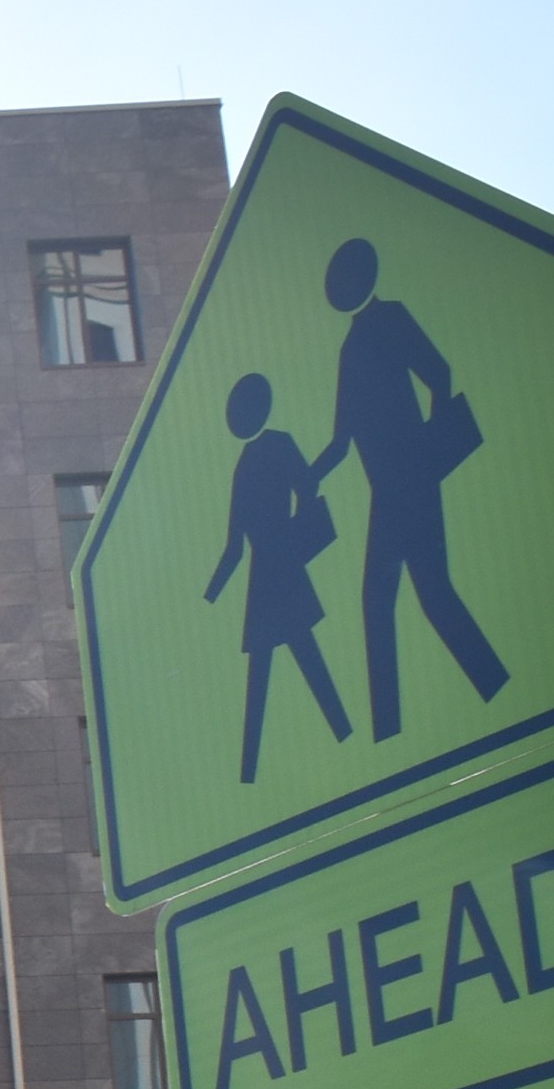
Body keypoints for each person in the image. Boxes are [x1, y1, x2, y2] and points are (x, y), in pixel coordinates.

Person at [305, 234, 510, 738]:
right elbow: (342, 437)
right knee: (403, 598)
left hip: (410, 483)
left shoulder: (391, 318)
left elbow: (438, 372)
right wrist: (308, 478)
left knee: (413, 597)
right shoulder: (350, 346)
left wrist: (429, 448)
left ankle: (475, 696)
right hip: (386, 493)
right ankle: (397, 726)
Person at [200, 370, 353, 783]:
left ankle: (256, 768)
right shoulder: (267, 451)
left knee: (281, 669)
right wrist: (206, 600)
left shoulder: (249, 462)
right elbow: (305, 488)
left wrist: (210, 597)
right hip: (277, 572)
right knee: (291, 663)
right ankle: (339, 736)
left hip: (268, 576)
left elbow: (236, 547)